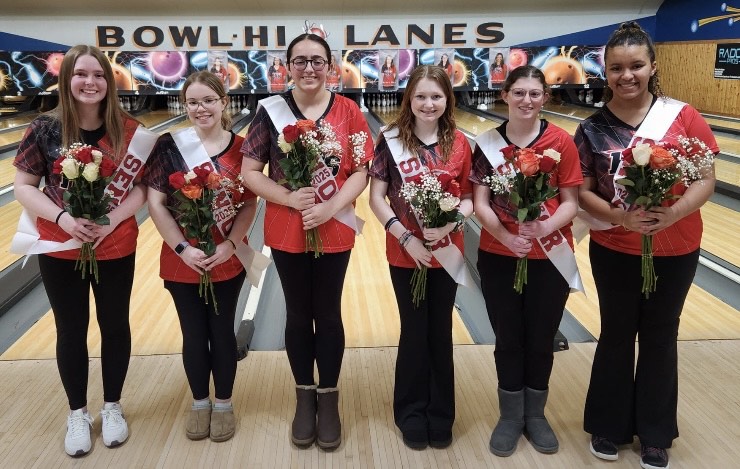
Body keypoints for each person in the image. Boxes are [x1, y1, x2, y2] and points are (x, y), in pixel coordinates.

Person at [574, 22, 717, 469]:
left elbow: (706, 178)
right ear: (605, 71)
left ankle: (655, 433)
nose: (626, 75)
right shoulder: (592, 128)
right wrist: (619, 216)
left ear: (652, 66)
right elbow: (582, 190)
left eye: (636, 65)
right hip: (614, 246)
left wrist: (672, 213)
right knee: (616, 334)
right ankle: (609, 425)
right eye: (616, 67)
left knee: (660, 336)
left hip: (676, 248)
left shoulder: (683, 116)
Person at [13, 45, 152, 457]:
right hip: (60, 246)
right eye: (81, 74)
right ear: (66, 79)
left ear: (109, 83)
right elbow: (23, 186)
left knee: (114, 325)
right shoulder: (44, 129)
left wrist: (109, 220)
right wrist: (63, 219)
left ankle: (112, 407)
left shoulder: (130, 130)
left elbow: (143, 187)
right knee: (70, 329)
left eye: (98, 75)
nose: (90, 82)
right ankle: (77, 412)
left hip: (115, 245)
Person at [241, 33, 374, 450]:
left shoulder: (349, 111)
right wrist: (289, 198)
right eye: (300, 61)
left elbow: (360, 171)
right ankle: (304, 396)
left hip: (334, 224)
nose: (309, 68)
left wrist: (331, 205)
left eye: (317, 61)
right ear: (287, 67)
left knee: (328, 312)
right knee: (298, 314)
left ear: (330, 66)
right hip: (287, 225)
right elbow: (250, 171)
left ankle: (329, 398)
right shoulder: (269, 113)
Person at [470, 65, 582, 457]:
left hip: (551, 255)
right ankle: (509, 415)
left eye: (535, 93)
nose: (527, 100)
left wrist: (543, 226)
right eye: (519, 92)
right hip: (499, 255)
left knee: (540, 337)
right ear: (506, 95)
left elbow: (571, 202)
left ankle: (535, 415)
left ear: (545, 98)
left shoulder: (561, 142)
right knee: (508, 337)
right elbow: (480, 204)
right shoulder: (485, 143)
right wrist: (505, 235)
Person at [145, 71, 257, 443]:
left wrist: (229, 244)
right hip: (182, 257)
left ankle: (223, 404)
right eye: (193, 101)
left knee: (222, 333)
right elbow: (156, 203)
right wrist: (182, 247)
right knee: (193, 334)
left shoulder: (243, 147)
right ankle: (199, 403)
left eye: (209, 100)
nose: (201, 108)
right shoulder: (168, 146)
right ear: (184, 105)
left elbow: (249, 201)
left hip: (226, 255)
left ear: (224, 103)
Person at [369, 65, 473, 450]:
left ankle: (441, 414)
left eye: (436, 97)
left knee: (440, 332)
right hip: (404, 252)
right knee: (414, 331)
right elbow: (376, 198)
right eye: (421, 97)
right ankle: (411, 412)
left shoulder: (460, 143)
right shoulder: (390, 141)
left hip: (448, 251)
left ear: (448, 100)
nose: (429, 104)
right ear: (408, 100)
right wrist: (405, 237)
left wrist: (450, 225)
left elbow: (467, 199)